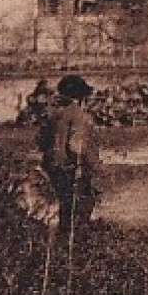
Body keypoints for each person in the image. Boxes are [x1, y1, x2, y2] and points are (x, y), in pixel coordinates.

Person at [41, 74, 101, 239]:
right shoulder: (77, 114)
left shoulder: (52, 114)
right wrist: (85, 168)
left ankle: (63, 243)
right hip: (70, 168)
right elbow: (75, 147)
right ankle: (75, 245)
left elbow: (41, 142)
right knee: (81, 207)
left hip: (53, 167)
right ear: (81, 97)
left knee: (65, 209)